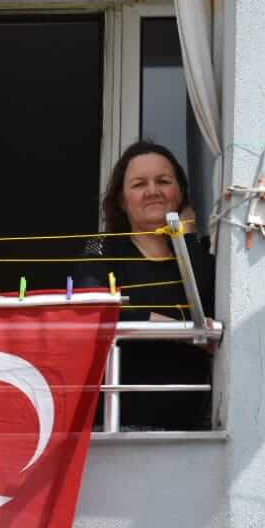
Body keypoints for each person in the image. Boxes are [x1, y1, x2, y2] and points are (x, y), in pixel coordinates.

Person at [81, 141, 215, 431]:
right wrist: (171, 328)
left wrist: (187, 236)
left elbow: (209, 302)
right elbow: (91, 307)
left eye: (163, 181)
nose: (152, 191)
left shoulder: (203, 253)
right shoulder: (102, 247)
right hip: (117, 423)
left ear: (181, 193)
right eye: (139, 184)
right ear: (121, 200)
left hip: (194, 427)